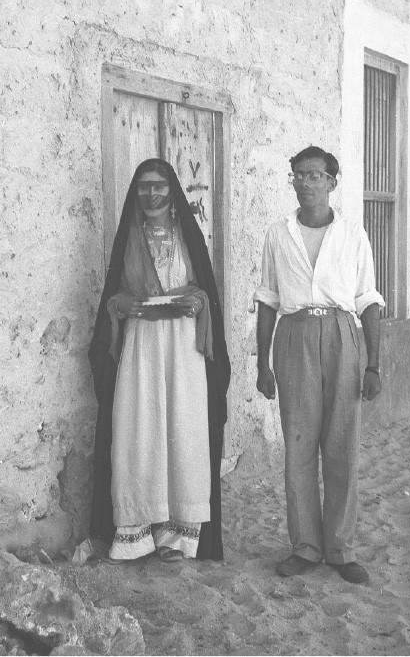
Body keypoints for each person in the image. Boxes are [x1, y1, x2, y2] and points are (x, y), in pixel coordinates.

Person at [88, 158, 230, 563]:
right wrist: (122, 305)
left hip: (184, 348)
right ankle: (137, 532)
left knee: (183, 429)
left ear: (172, 193)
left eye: (159, 186)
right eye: (144, 186)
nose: (152, 193)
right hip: (141, 345)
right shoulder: (128, 240)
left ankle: (178, 536)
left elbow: (204, 294)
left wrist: (196, 301)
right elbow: (114, 298)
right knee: (140, 428)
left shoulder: (188, 239)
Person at [254, 146, 384, 585]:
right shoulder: (278, 234)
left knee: (342, 443)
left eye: (315, 175)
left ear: (331, 182)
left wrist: (373, 365)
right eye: (298, 175)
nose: (306, 182)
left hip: (342, 335)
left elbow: (367, 300)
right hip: (294, 336)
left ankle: (340, 548)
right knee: (299, 444)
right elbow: (268, 300)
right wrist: (262, 364)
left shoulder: (352, 234)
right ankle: (305, 547)